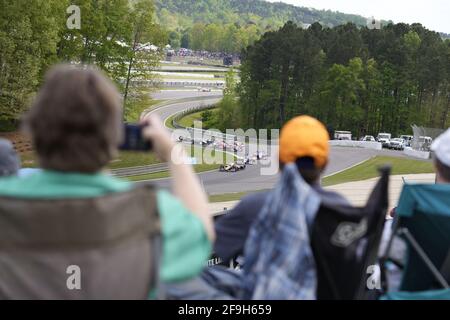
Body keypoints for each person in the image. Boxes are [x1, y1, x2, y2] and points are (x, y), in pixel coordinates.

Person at [0, 65, 214, 299]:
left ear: (35, 132)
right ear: (114, 139)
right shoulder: (152, 211)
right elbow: (202, 233)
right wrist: (176, 156)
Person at [215, 116, 349, 265]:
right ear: (325, 164)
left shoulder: (254, 207)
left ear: (279, 160)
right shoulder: (340, 208)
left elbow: (200, 251)